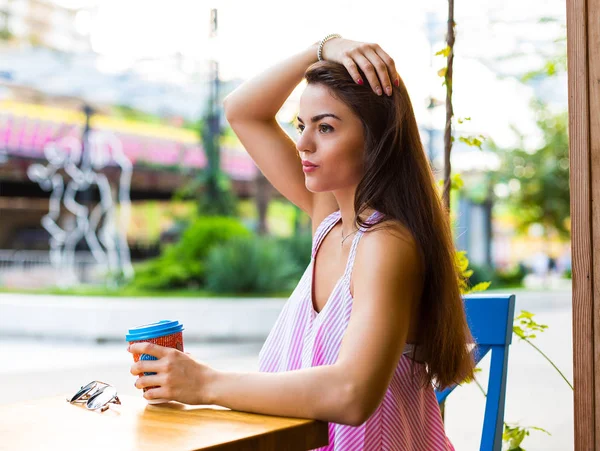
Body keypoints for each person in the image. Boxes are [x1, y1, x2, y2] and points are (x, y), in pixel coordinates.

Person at [129, 36, 475, 450]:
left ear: (376, 140)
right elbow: (243, 111)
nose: (303, 144)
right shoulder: (329, 222)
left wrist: (203, 383)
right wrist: (322, 47)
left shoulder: (387, 244)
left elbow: (351, 394)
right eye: (301, 125)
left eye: (325, 127)